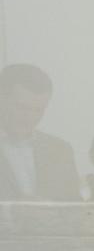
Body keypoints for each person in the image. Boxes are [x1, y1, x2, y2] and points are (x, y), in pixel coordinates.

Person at [0, 64, 82, 202]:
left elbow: (75, 211)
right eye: (22, 107)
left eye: (38, 110)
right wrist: (12, 212)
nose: (30, 117)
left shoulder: (60, 150)